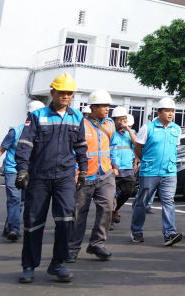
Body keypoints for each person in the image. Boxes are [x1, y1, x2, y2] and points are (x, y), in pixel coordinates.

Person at [14, 74, 87, 283]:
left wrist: (83, 171)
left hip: (65, 176)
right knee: (33, 221)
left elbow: (81, 147)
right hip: (38, 176)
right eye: (61, 92)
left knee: (66, 220)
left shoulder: (77, 117)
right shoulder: (37, 116)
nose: (65, 96)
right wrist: (22, 170)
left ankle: (58, 263)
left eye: (69, 93)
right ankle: (29, 266)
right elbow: (25, 144)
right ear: (52, 92)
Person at [0, 100, 44, 242]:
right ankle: (14, 229)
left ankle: (8, 228)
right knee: (14, 199)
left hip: (31, 173)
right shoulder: (16, 131)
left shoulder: (43, 133)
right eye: (34, 115)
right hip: (13, 171)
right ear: (28, 114)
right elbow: (1, 150)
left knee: (23, 201)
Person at [67, 90, 117, 262]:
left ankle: (97, 244)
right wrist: (75, 171)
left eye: (108, 106)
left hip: (105, 174)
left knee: (107, 208)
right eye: (103, 106)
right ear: (93, 107)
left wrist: (114, 166)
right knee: (79, 212)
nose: (106, 109)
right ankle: (72, 249)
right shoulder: (82, 124)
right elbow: (73, 150)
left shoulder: (110, 124)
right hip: (85, 175)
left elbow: (113, 146)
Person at [130, 97, 183, 246]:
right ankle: (136, 231)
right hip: (149, 172)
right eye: (167, 110)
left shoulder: (176, 129)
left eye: (172, 111)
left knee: (168, 201)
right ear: (159, 112)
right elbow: (137, 148)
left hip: (169, 172)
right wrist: (145, 161)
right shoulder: (147, 128)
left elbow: (174, 148)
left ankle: (169, 233)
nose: (171, 113)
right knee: (142, 203)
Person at [109, 107, 136, 229]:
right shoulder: (109, 132)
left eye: (124, 119)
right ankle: (110, 220)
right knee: (110, 195)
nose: (122, 122)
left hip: (127, 168)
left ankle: (115, 209)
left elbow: (136, 144)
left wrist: (128, 130)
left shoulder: (130, 132)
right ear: (114, 120)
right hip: (112, 168)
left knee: (128, 191)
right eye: (120, 119)